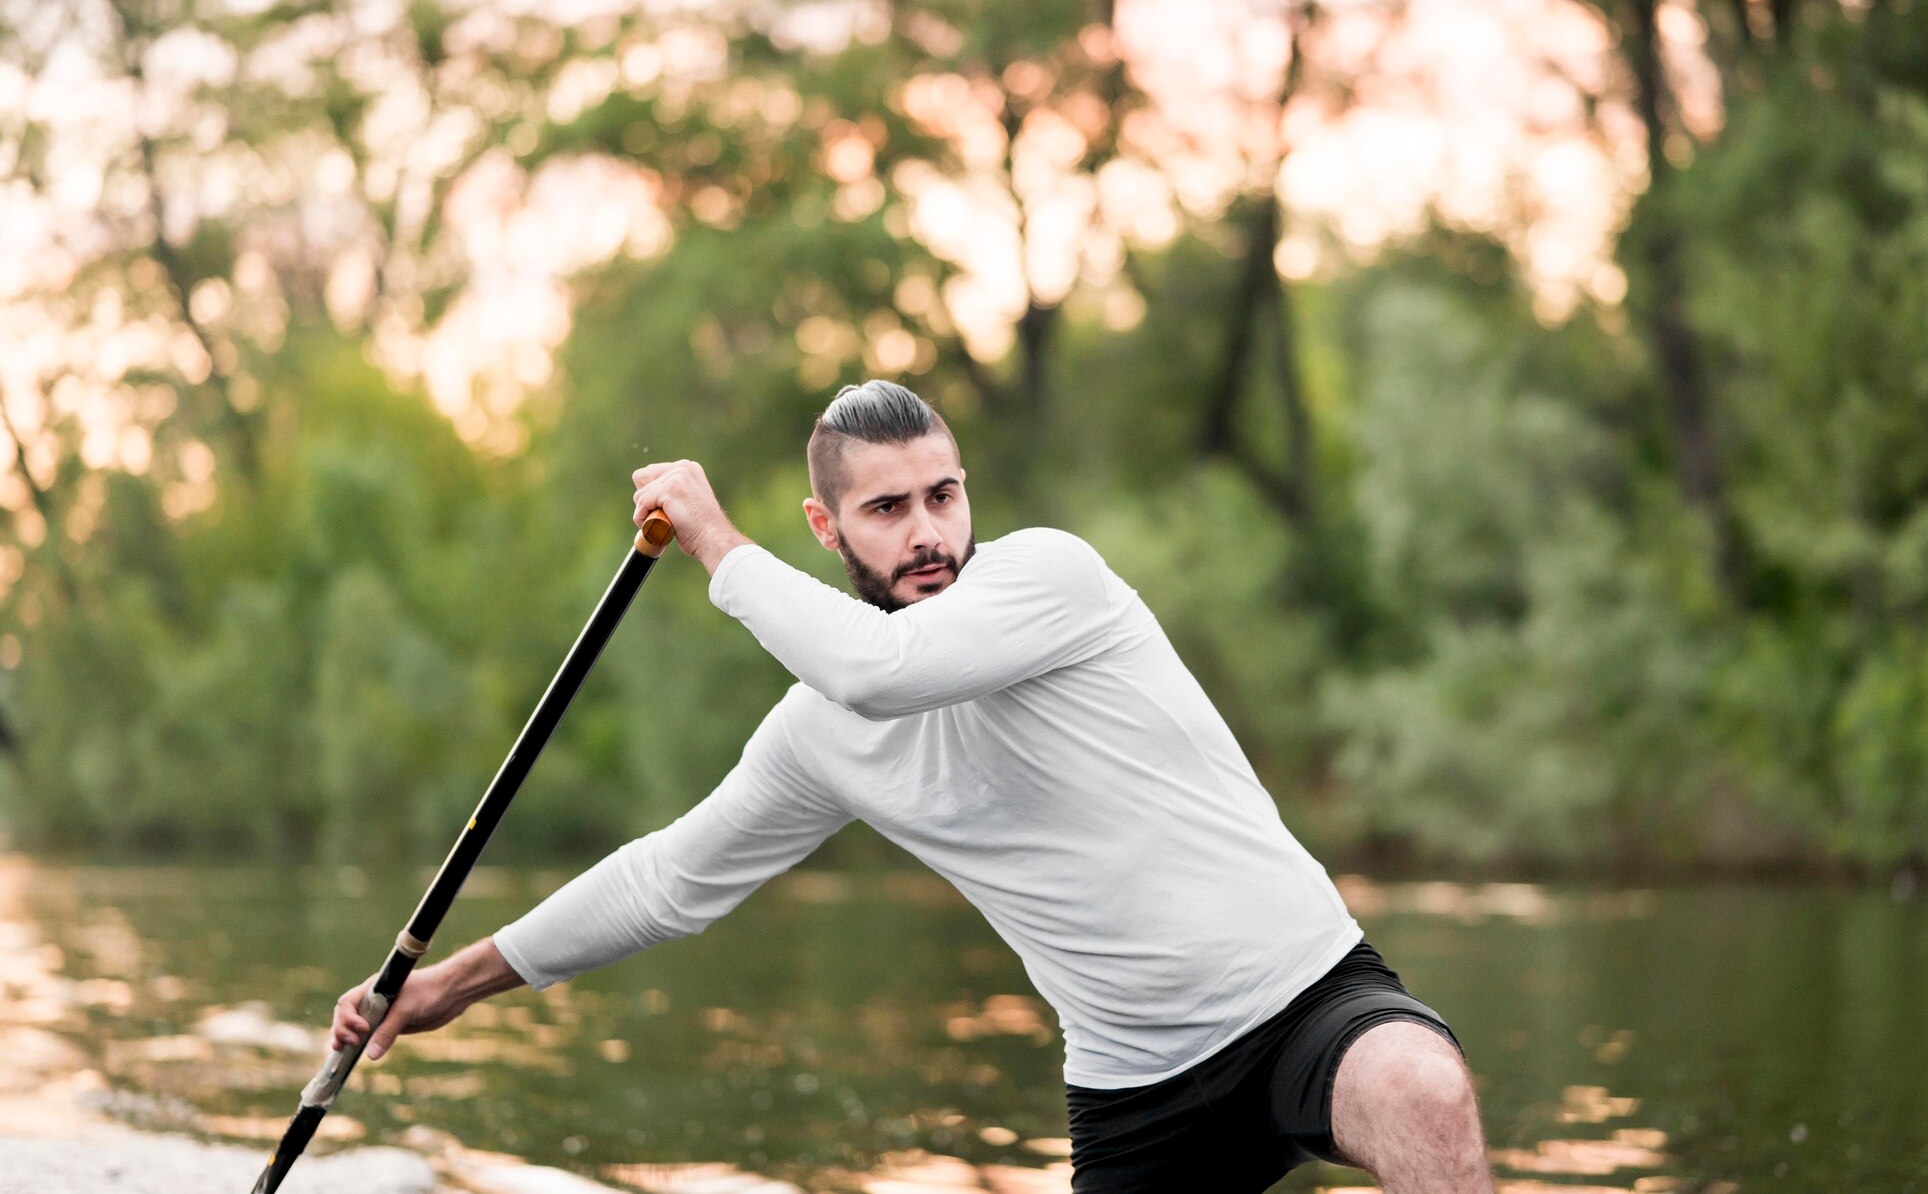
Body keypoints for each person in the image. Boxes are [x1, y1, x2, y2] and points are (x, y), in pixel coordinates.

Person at [329, 380, 1494, 1193]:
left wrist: (712, 541)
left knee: (1421, 1086)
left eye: (942, 494)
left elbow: (878, 669)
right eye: (887, 509)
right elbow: (669, 880)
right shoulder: (821, 731)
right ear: (825, 526)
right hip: (1136, 1090)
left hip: (1302, 997)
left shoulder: (1051, 580)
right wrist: (450, 984)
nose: (927, 531)